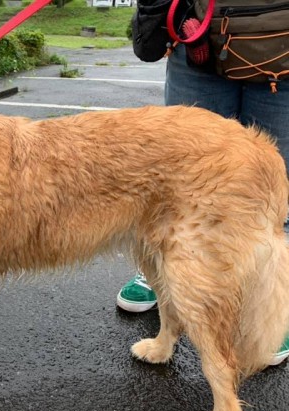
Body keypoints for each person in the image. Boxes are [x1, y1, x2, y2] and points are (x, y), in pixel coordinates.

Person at [117, 43, 289, 365]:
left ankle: (267, 306)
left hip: (282, 46)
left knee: (265, 197)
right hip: (197, 39)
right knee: (171, 195)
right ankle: (165, 282)